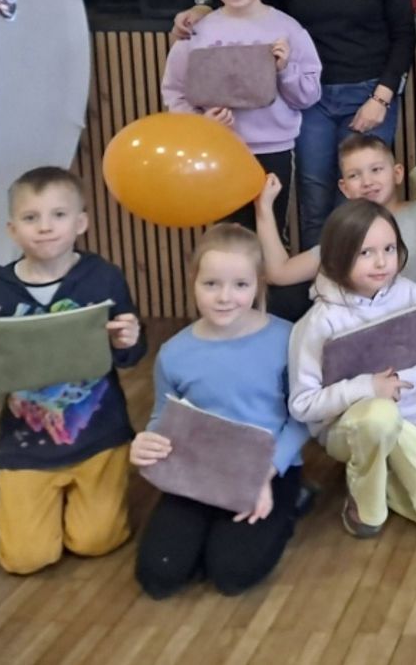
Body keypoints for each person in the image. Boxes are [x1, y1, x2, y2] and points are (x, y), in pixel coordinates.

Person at [174, 0, 416, 249]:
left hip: (369, 94)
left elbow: (403, 33)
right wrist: (202, 10)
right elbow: (251, 4)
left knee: (360, 200)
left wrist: (381, 97)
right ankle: (319, 282)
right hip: (307, 99)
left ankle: (359, 281)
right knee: (314, 198)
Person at [0, 167, 144, 574]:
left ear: (81, 222)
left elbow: (131, 355)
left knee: (96, 541)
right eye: (31, 218)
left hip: (100, 436)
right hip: (26, 443)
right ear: (13, 230)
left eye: (58, 215)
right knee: (26, 558)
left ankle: (85, 500)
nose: (45, 227)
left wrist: (128, 341)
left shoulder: (104, 278)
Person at [130, 225, 310, 597]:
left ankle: (292, 502)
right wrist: (147, 442)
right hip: (198, 469)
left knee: (232, 574)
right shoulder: (174, 353)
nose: (225, 297)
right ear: (194, 282)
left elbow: (304, 418)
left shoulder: (288, 339)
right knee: (158, 577)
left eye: (240, 285)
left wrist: (266, 472)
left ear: (258, 284)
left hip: (265, 468)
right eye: (211, 284)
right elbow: (164, 416)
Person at [288, 200, 416, 538]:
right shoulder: (319, 321)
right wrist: (368, 388)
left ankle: (382, 481)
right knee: (378, 416)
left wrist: (400, 381)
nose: (382, 261)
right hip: (347, 430)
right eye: (365, 253)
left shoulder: (410, 294)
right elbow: (303, 404)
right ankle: (365, 509)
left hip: (408, 423)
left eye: (389, 248)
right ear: (338, 255)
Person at [256, 135, 416, 379]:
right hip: (366, 360)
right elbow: (279, 272)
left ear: (397, 173)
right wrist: (263, 207)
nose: (367, 182)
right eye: (355, 175)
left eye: (376, 170)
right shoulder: (346, 235)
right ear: (344, 188)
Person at [161, 0, 322, 239]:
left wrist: (285, 69)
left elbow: (308, 95)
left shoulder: (287, 29)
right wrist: (201, 123)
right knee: (227, 236)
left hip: (274, 148)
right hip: (219, 149)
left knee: (270, 234)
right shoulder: (197, 33)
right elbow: (175, 91)